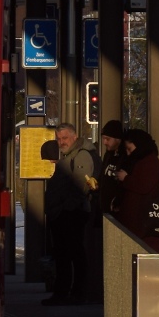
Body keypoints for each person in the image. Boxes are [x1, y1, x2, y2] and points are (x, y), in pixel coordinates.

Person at [43, 121, 96, 305]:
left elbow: (82, 185)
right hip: (63, 213)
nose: (61, 142)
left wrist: (67, 208)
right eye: (58, 139)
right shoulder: (67, 156)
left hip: (71, 214)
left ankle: (72, 293)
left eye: (65, 138)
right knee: (64, 255)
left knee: (71, 254)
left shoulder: (80, 156)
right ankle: (65, 292)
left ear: (74, 137)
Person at [115, 127, 159, 252]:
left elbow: (144, 185)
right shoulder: (138, 160)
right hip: (136, 221)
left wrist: (126, 178)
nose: (128, 153)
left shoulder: (149, 161)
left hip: (145, 221)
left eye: (130, 149)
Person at [92, 119, 125, 218]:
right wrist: (97, 185)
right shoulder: (108, 155)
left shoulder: (125, 156)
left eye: (107, 139)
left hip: (117, 211)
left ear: (117, 139)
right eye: (103, 138)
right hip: (105, 209)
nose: (104, 142)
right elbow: (103, 176)